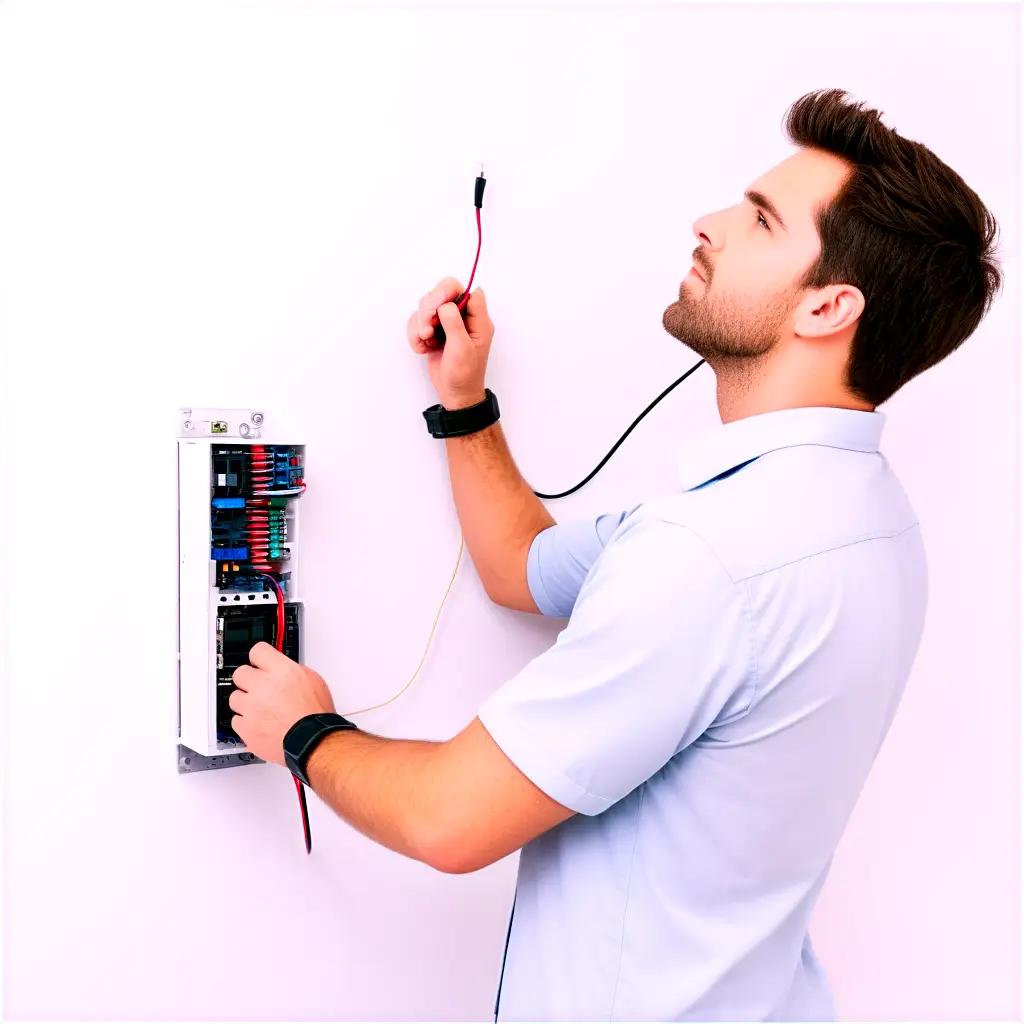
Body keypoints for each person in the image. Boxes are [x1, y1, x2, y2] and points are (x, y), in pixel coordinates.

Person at [227, 88, 1003, 1020]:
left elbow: (448, 819)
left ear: (829, 306)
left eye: (759, 221)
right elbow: (524, 566)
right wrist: (466, 405)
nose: (709, 223)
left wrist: (306, 734)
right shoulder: (872, 521)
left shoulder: (709, 557)